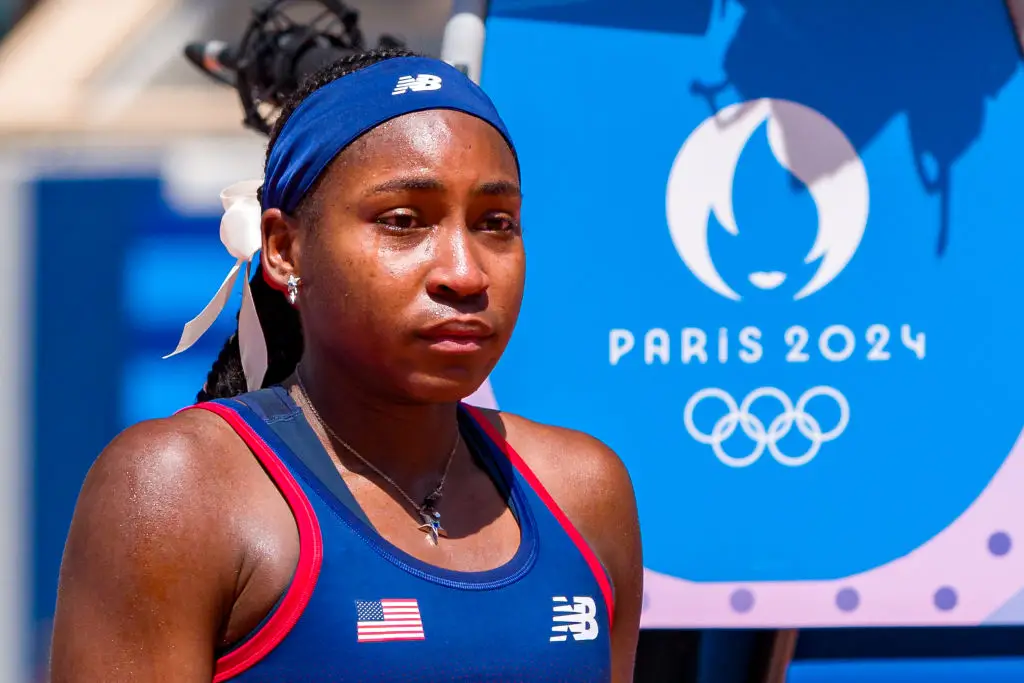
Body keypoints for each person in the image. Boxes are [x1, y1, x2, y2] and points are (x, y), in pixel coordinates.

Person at [49, 49, 643, 682]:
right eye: (403, 222)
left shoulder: (583, 493)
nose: (465, 274)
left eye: (496, 223)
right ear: (282, 249)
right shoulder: (179, 491)